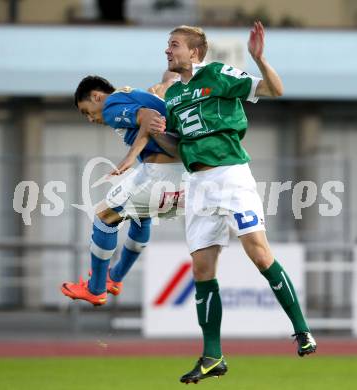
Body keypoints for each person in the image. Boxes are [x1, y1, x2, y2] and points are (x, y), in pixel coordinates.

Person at [122, 21, 317, 384]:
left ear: (194, 52)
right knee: (200, 271)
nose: (168, 50)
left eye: (175, 45)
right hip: (197, 183)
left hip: (230, 176)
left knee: (259, 253)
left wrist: (259, 57)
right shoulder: (175, 98)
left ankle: (302, 330)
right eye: (168, 45)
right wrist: (158, 134)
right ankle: (213, 356)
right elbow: (179, 148)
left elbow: (275, 88)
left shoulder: (216, 74)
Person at [61, 74, 185, 306]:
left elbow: (150, 117)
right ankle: (114, 279)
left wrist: (129, 157)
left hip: (160, 175)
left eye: (86, 111)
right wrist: (170, 77)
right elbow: (160, 91)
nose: (89, 118)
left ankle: (96, 288)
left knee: (103, 218)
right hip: (186, 180)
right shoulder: (137, 94)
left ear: (96, 96)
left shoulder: (111, 106)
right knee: (140, 218)